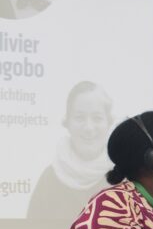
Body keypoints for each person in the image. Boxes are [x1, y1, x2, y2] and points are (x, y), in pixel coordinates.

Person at [27, 81, 114, 218]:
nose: (88, 128)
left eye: (97, 118)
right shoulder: (49, 179)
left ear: (109, 122)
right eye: (79, 118)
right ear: (67, 122)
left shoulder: (124, 179)